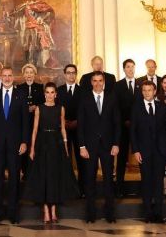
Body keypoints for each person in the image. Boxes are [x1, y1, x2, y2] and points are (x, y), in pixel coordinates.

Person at [26, 82, 78, 223]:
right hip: (42, 143)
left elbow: (62, 129)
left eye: (52, 92)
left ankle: (54, 210)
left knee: (54, 176)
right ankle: (46, 211)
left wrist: (66, 147)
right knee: (43, 176)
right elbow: (35, 129)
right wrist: (32, 149)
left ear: (56, 94)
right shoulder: (39, 109)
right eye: (47, 92)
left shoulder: (61, 108)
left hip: (57, 143)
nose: (49, 95)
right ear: (44, 94)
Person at [0, 67, 30, 224]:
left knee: (14, 179)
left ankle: (13, 212)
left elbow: (26, 122)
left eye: (10, 75)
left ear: (13, 77)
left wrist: (25, 141)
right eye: (4, 75)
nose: (7, 78)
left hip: (16, 144)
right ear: (0, 77)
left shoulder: (21, 95)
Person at [77, 70, 121, 223]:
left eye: (100, 80)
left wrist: (116, 143)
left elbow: (117, 123)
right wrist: (82, 146)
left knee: (109, 179)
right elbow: (81, 125)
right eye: (94, 81)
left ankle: (110, 214)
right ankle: (90, 214)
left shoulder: (112, 98)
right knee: (89, 180)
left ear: (104, 82)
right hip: (89, 147)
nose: (97, 83)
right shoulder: (84, 98)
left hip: (108, 146)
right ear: (91, 82)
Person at [131, 80, 166, 223]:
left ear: (154, 91)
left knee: (159, 183)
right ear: (142, 92)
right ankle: (148, 213)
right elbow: (133, 131)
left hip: (160, 151)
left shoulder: (162, 107)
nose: (147, 93)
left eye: (149, 90)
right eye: (144, 90)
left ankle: (159, 213)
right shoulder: (136, 108)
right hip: (143, 151)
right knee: (146, 182)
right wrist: (136, 151)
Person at [56, 64, 84, 195]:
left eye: (73, 73)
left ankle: (82, 189)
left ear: (76, 74)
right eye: (68, 73)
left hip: (79, 129)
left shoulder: (83, 90)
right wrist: (63, 122)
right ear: (64, 74)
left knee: (81, 161)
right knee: (64, 159)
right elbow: (55, 109)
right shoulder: (59, 90)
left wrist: (77, 122)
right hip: (63, 129)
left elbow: (85, 110)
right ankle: (65, 189)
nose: (71, 75)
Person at [114, 58, 138, 197]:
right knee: (122, 159)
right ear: (124, 69)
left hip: (138, 128)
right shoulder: (118, 86)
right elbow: (116, 107)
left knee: (141, 156)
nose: (130, 69)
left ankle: (144, 186)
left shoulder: (141, 84)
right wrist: (124, 121)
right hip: (123, 127)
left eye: (132, 66)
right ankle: (119, 188)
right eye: (128, 67)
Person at [16, 63, 44, 177]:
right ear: (23, 74)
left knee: (36, 146)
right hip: (23, 122)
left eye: (31, 72)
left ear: (34, 74)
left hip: (36, 122)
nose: (29, 75)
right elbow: (17, 105)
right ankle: (24, 171)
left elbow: (43, 103)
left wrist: (36, 107)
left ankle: (35, 172)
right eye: (26, 72)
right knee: (24, 146)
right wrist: (25, 108)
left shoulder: (40, 87)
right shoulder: (19, 88)